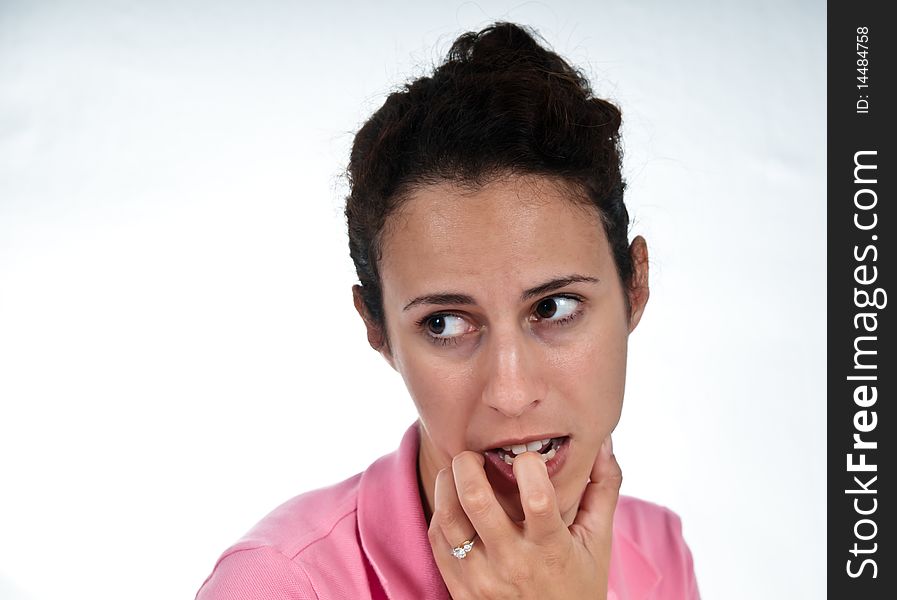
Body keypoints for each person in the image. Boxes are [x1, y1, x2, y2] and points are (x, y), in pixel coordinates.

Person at [196, 22, 700, 599]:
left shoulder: (658, 549)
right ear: (378, 328)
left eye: (554, 307)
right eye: (444, 324)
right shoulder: (277, 585)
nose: (511, 392)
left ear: (634, 289)